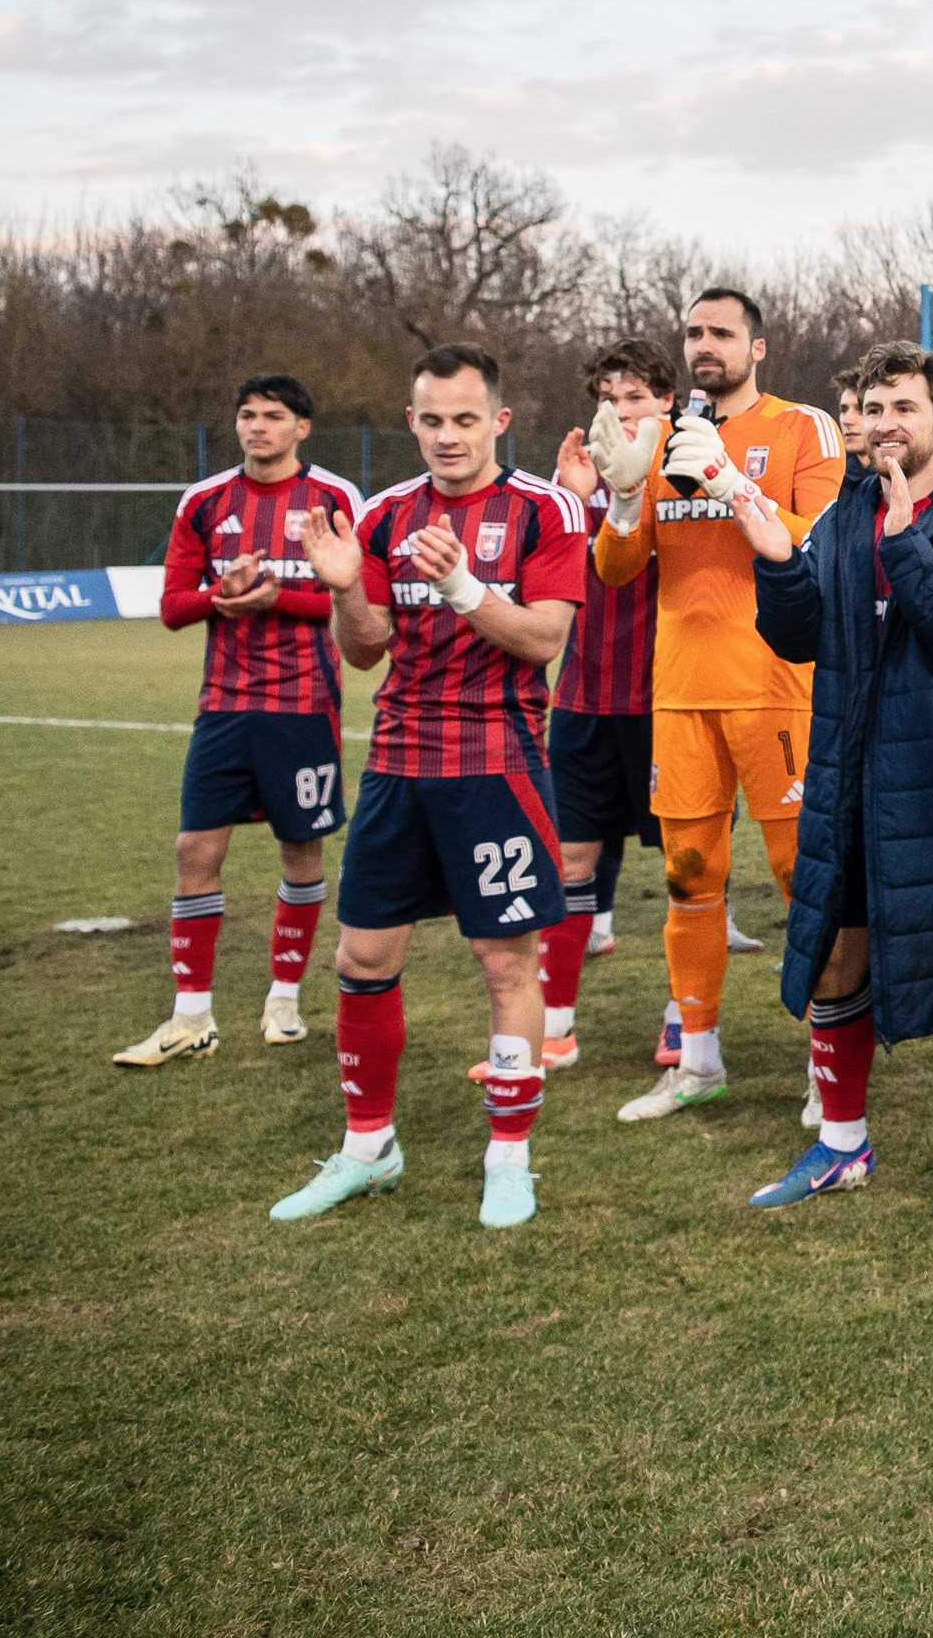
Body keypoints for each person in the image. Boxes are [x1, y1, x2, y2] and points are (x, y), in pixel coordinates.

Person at [269, 345, 585, 1230]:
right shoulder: (381, 515)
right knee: (362, 960)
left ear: (499, 422)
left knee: (505, 962)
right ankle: (369, 1147)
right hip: (399, 765)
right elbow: (365, 647)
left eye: (466, 420)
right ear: (411, 422)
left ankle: (509, 1159)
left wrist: (459, 583)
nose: (449, 436)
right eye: (433, 420)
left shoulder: (546, 510)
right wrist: (343, 591)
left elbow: (543, 639)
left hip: (498, 766)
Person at [734, 342, 933, 1220]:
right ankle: (841, 1144)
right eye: (871, 408)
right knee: (834, 946)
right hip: (847, 770)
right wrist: (777, 563)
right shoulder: (842, 511)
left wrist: (905, 546)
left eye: (902, 407)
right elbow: (799, 636)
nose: (883, 423)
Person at [588, 287, 844, 1124]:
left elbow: (825, 538)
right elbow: (617, 569)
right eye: (694, 332)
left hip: (776, 688)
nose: (706, 344)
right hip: (682, 694)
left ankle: (831, 1066)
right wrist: (625, 497)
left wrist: (733, 483)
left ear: (756, 347)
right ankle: (697, 1060)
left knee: (801, 878)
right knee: (687, 877)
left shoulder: (801, 427)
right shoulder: (657, 436)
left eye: (722, 333)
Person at [116, 374, 364, 1065]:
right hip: (223, 707)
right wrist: (218, 598)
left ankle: (284, 998)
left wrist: (278, 599)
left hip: (304, 706)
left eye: (273, 416)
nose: (257, 426)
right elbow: (172, 607)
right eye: (248, 415)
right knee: (195, 850)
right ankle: (190, 1016)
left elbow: (358, 602)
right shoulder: (204, 501)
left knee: (302, 851)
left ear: (301, 428)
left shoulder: (336, 498)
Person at [456, 339, 671, 1086]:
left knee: (685, 864)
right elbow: (537, 583)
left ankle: (686, 1016)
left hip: (668, 702)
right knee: (572, 860)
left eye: (637, 397)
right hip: (581, 699)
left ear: (667, 404)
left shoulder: (688, 473)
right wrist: (575, 500)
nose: (622, 411)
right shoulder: (568, 487)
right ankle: (556, 1028)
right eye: (610, 398)